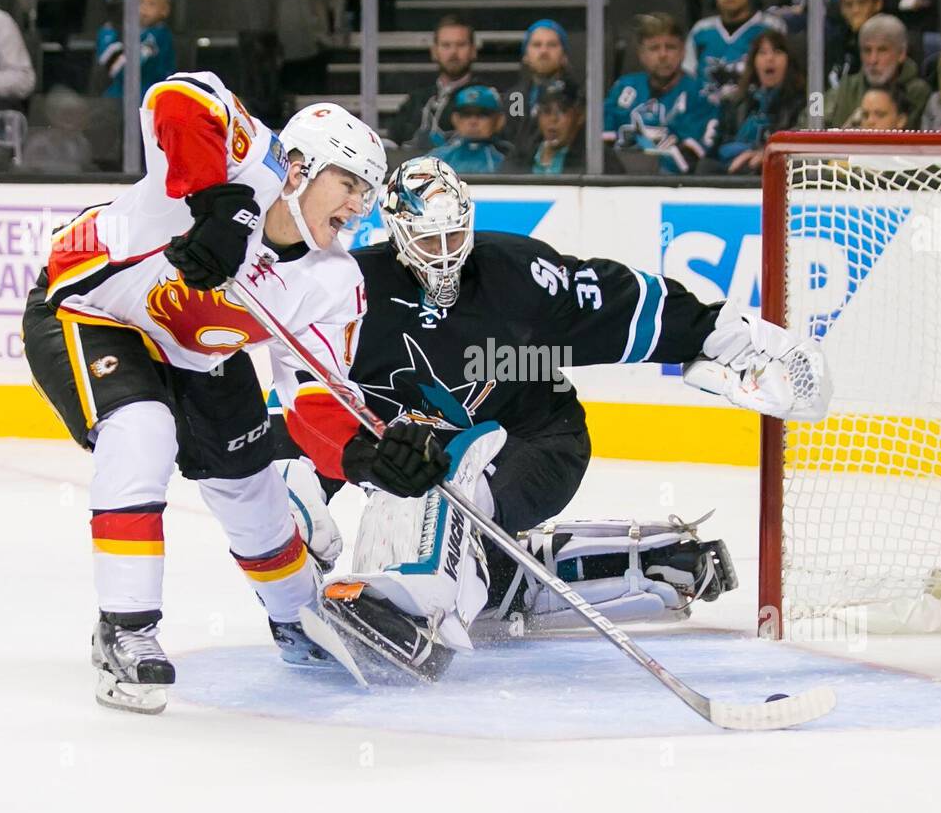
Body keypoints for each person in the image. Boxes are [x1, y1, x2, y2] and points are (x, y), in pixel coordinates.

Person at [270, 156, 830, 653]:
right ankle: (320, 603)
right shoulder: (353, 291)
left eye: (453, 236)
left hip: (540, 443)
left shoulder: (517, 274)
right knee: (286, 487)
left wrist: (726, 337)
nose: (444, 256)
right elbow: (311, 405)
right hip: (433, 453)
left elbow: (621, 302)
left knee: (442, 483)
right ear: (396, 232)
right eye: (427, 240)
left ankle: (424, 608)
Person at [21, 72, 451, 711]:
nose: (360, 208)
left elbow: (315, 406)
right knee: (142, 429)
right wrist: (216, 201)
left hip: (197, 352)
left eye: (367, 193)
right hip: (88, 307)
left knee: (251, 482)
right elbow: (177, 95)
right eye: (350, 184)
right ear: (300, 169)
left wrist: (368, 456)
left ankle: (297, 616)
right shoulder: (248, 156)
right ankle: (127, 628)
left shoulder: (335, 283)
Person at [605, 12, 717, 174]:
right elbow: (602, 146)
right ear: (641, 54)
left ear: (683, 52)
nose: (663, 55)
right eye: (654, 48)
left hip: (675, 186)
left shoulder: (699, 94)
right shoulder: (624, 88)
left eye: (670, 47)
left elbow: (691, 157)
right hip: (617, 184)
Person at [684, 0, 785, 106]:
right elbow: (687, 78)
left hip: (756, 111)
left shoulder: (771, 27)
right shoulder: (701, 30)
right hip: (705, 115)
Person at [710, 29, 806, 175]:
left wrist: (763, 153)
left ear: (789, 61)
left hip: (775, 170)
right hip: (733, 166)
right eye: (762, 53)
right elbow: (720, 145)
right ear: (754, 61)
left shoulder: (803, 101)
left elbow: (799, 141)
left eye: (777, 52)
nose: (770, 58)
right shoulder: (736, 102)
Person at [817, 13, 931, 127]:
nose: (873, 60)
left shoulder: (918, 92)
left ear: (901, 53)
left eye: (882, 50)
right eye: (867, 50)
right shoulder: (847, 86)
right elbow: (809, 119)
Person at [384, 14, 478, 149]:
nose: (453, 52)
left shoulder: (486, 99)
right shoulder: (416, 100)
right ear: (434, 51)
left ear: (473, 51)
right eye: (446, 45)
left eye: (461, 45)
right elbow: (392, 141)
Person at [501, 77, 616, 174]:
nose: (553, 119)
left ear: (580, 116)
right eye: (546, 111)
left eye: (563, 111)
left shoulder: (599, 160)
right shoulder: (521, 156)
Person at [95, 0, 176, 99]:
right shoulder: (111, 32)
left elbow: (130, 68)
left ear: (164, 10)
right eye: (139, 1)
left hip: (149, 96)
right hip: (118, 96)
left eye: (151, 4)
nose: (144, 8)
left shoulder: (160, 35)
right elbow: (112, 66)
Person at [503, 19, 574, 154]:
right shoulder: (514, 97)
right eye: (536, 45)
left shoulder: (577, 97)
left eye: (552, 45)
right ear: (526, 56)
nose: (544, 51)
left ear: (564, 55)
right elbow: (512, 140)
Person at [428, 84, 510, 172]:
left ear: (499, 120)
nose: (473, 121)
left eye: (483, 114)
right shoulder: (436, 159)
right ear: (455, 119)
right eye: (466, 114)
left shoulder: (510, 158)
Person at [828, 0, 886, 87]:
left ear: (877, 4)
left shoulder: (890, 40)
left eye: (862, 2)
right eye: (849, 5)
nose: (855, 10)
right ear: (842, 9)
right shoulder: (835, 42)